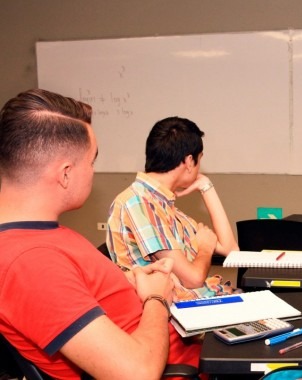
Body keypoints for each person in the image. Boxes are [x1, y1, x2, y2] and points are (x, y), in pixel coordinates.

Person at [0, 89, 200, 379]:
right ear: (65, 173)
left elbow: (84, 292)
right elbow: (137, 373)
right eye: (91, 161)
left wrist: (132, 280)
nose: (93, 172)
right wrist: (157, 297)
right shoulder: (31, 261)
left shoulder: (44, 236)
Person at [107, 116, 239, 300]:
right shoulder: (139, 203)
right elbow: (193, 280)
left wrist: (206, 186)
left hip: (209, 301)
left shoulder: (165, 206)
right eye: (199, 160)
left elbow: (231, 250)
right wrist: (205, 249)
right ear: (189, 161)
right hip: (184, 314)